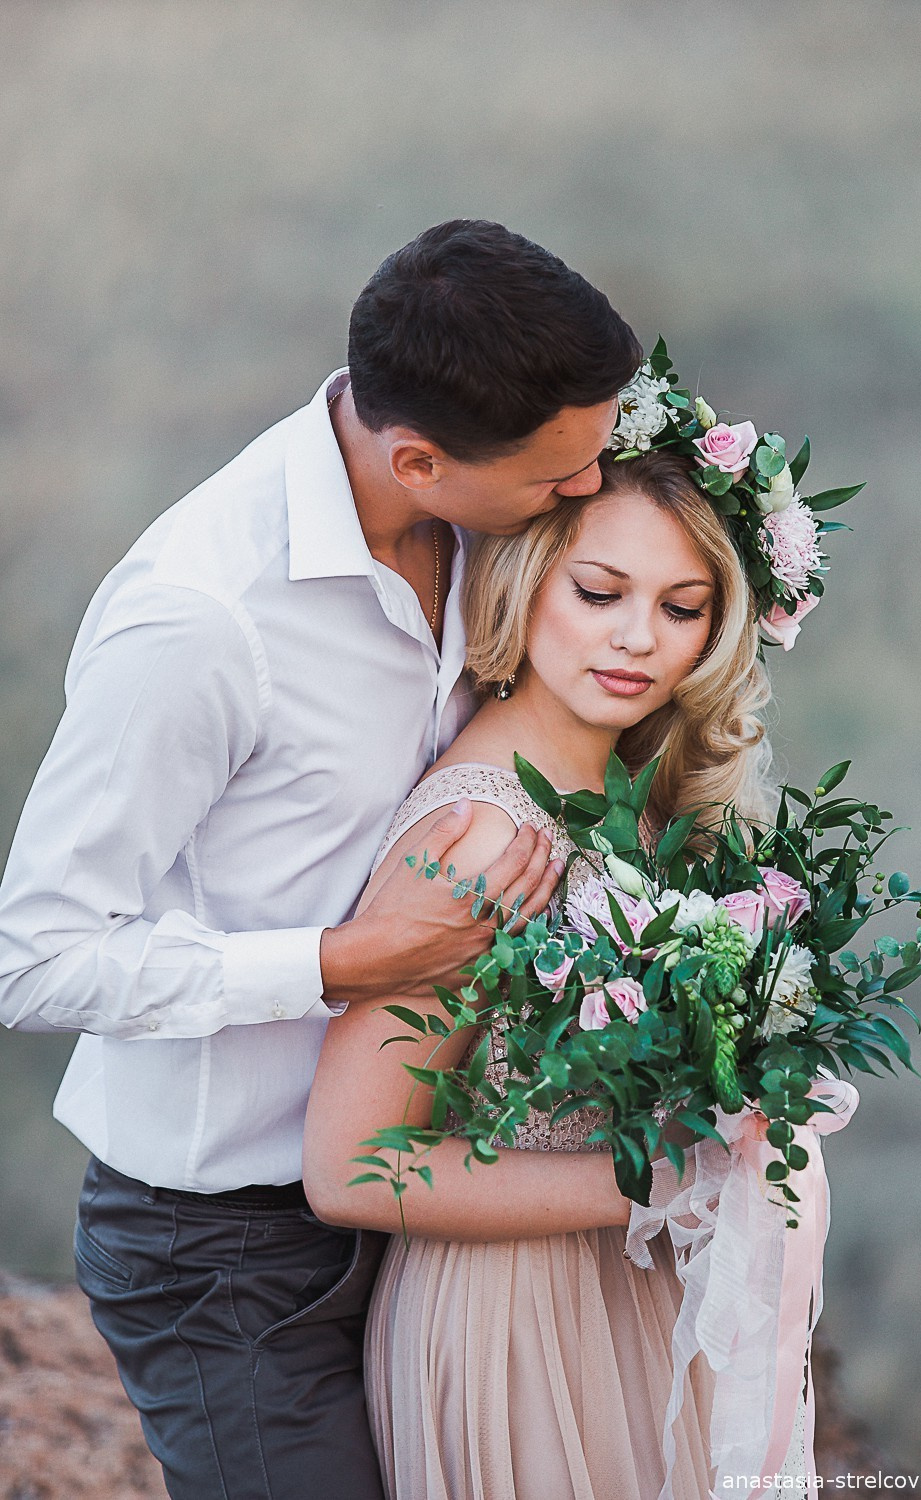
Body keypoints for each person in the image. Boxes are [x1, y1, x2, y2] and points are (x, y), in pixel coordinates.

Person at [0, 220, 643, 1499]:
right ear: (417, 459)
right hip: (219, 1248)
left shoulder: (490, 514)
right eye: (557, 480)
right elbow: (35, 961)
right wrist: (344, 961)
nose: (585, 499)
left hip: (429, 1195)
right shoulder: (199, 622)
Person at [302, 448, 811, 1499]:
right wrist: (658, 1183)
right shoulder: (483, 834)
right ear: (523, 579)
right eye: (598, 591)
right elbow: (352, 1167)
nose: (636, 638)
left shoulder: (643, 801)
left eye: (682, 607)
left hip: (630, 1287)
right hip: (511, 1318)